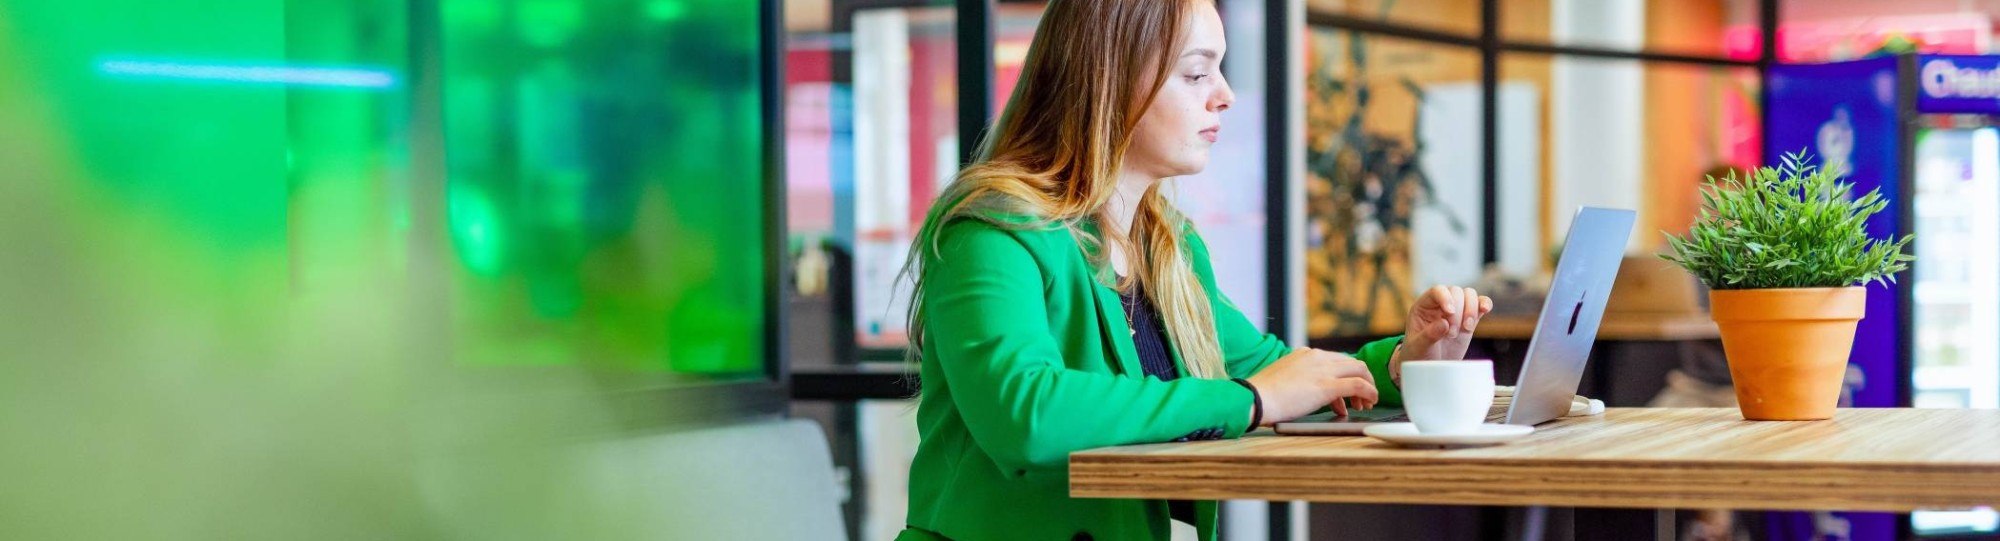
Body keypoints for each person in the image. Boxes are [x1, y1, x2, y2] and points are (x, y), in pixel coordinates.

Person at [893, 1, 1492, 539]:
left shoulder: (1166, 245)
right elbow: (1023, 411)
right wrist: (1253, 400)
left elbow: (1272, 375)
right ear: (1108, 82)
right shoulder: (994, 228)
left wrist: (1404, 363)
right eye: (1198, 73)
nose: (1225, 94)